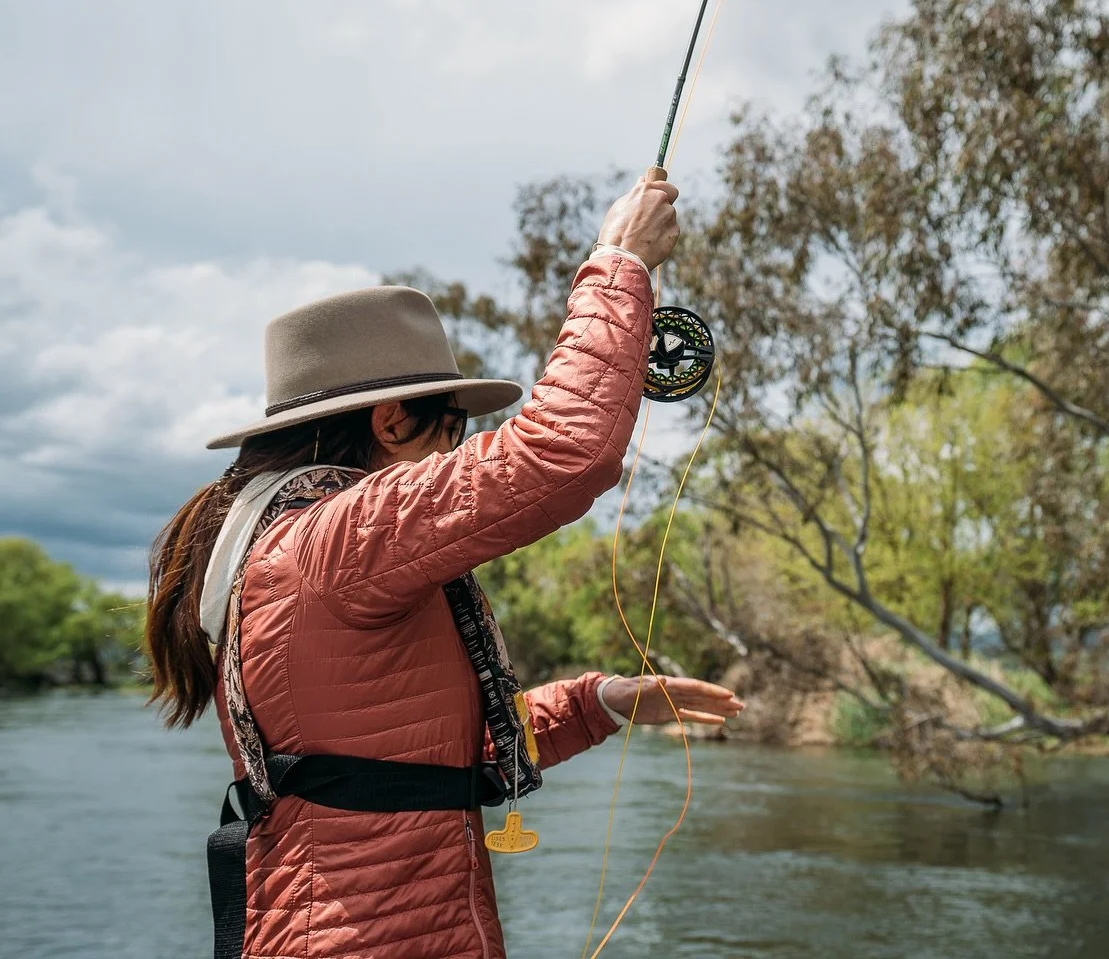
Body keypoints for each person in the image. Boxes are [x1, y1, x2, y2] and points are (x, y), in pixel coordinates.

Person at [143, 169, 743, 959]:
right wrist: (619, 261)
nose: (454, 454)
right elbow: (566, 451)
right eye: (451, 431)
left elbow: (414, 760)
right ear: (392, 421)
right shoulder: (337, 540)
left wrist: (603, 702)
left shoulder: (289, 547)